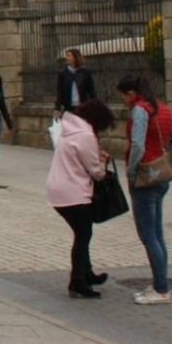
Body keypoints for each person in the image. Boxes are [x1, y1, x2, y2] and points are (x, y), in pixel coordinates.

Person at [117, 74, 172, 305]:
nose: (124, 101)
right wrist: (161, 152)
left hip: (144, 176)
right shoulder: (164, 109)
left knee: (148, 235)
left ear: (132, 93)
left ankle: (161, 289)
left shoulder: (140, 111)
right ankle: (159, 282)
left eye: (124, 96)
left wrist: (132, 171)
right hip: (161, 174)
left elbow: (137, 144)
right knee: (157, 234)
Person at [47, 98, 114, 298]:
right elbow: (95, 170)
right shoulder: (85, 135)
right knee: (83, 236)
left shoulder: (70, 131)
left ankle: (87, 273)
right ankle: (77, 281)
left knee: (82, 233)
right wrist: (104, 170)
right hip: (74, 192)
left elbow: (77, 156)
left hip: (57, 189)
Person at [54, 48, 96, 119]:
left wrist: (95, 105)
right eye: (66, 56)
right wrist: (57, 108)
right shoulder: (63, 73)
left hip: (82, 106)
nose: (66, 58)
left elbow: (91, 91)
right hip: (68, 107)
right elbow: (60, 92)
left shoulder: (85, 72)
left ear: (75, 57)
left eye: (69, 56)